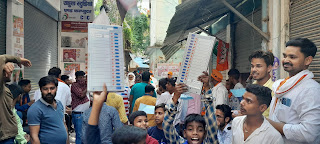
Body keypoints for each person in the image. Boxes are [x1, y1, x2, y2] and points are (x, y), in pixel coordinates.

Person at [268, 38, 320, 143]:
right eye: (284, 56)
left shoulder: (311, 90)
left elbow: (309, 134)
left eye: (292, 57)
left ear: (308, 60)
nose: (286, 60)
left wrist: (267, 123)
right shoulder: (281, 85)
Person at [0, 55, 31, 143]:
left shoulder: (5, 89)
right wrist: (17, 60)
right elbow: (1, 59)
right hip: (4, 138)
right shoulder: (1, 89)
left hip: (9, 136)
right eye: (9, 71)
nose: (11, 72)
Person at [27, 76, 68, 144]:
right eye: (45, 89)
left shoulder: (59, 104)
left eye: (52, 88)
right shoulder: (35, 109)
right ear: (41, 89)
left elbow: (64, 125)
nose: (49, 91)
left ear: (56, 88)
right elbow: (34, 137)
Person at [248, 50, 274, 118]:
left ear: (269, 68)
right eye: (252, 66)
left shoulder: (274, 91)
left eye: (258, 66)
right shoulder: (252, 86)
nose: (254, 70)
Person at [71, 71, 89, 144]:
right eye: (80, 77)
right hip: (78, 114)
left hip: (86, 113)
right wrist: (88, 86)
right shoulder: (74, 85)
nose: (82, 79)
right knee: (80, 135)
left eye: (83, 77)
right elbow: (81, 95)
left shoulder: (85, 85)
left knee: (85, 135)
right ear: (76, 78)